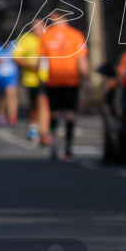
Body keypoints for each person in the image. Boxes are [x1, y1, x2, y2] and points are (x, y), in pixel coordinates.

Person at [39, 11, 89, 160]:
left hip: (53, 80)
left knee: (54, 113)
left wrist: (41, 79)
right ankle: (68, 148)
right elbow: (82, 60)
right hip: (71, 80)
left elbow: (42, 61)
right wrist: (86, 79)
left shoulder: (46, 35)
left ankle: (55, 144)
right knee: (70, 114)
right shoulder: (76, 35)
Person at [14, 17, 50, 145]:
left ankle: (45, 132)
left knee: (45, 104)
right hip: (31, 79)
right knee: (33, 105)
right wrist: (30, 66)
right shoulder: (26, 39)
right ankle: (33, 128)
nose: (38, 30)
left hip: (48, 78)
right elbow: (16, 57)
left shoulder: (49, 38)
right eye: (36, 27)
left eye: (40, 26)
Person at [0, 40, 20, 126]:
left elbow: (19, 57)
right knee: (1, 96)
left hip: (11, 75)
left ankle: (12, 115)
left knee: (12, 93)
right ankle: (1, 114)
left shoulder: (14, 46)